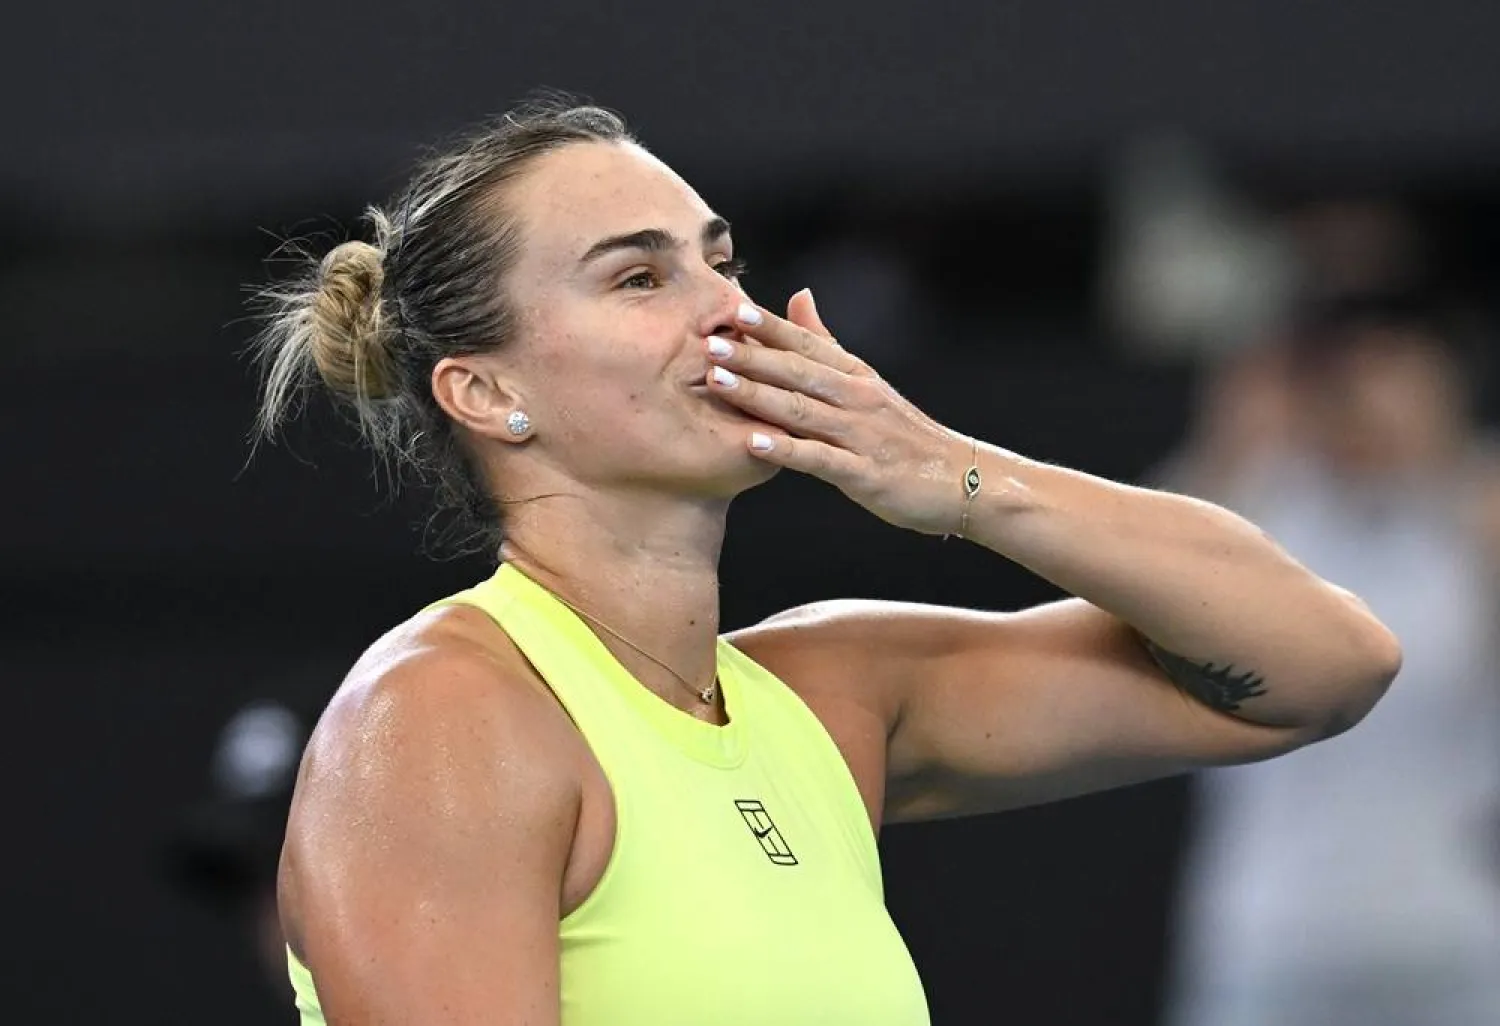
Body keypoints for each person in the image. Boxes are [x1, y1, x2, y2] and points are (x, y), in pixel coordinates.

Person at [251, 99, 1401, 1026]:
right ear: (485, 391)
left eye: (723, 264)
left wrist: (957, 473)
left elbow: (1328, 662)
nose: (730, 311)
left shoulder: (832, 696)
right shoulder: (441, 716)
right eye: (641, 278)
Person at [1159, 291, 1500, 1026]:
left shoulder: (1476, 507)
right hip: (1274, 936)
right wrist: (1236, 437)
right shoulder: (1249, 507)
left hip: (1451, 939)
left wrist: (1435, 455)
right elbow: (1140, 608)